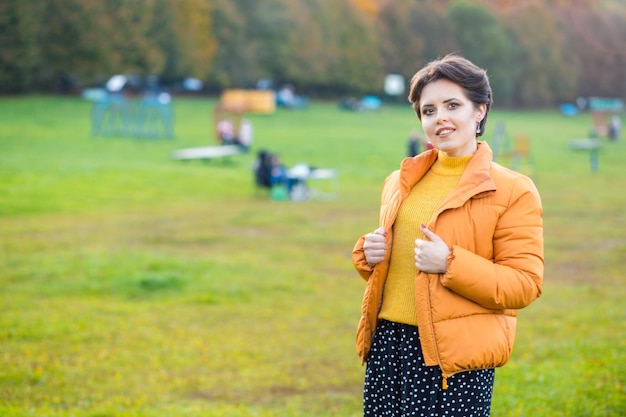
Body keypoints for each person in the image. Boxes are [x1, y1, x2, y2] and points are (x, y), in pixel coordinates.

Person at [352, 54, 544, 416]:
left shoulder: (514, 190)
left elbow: (525, 283)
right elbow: (397, 270)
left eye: (452, 105)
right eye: (428, 110)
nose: (439, 117)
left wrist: (451, 263)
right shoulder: (399, 181)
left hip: (453, 359)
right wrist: (369, 253)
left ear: (480, 111)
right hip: (388, 347)